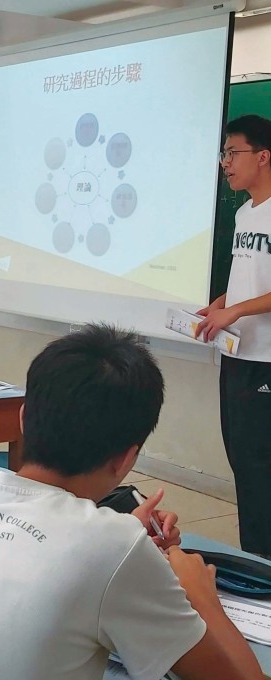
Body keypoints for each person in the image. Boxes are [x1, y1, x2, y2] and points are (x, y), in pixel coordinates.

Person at [0, 325, 262, 680]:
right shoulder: (113, 548)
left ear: (22, 418)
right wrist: (203, 598)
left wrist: (118, 537)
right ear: (127, 458)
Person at [198, 114, 271, 556]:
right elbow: (251, 278)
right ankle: (255, 553)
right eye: (223, 154)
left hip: (267, 359)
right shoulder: (245, 213)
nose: (225, 163)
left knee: (261, 464)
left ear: (263, 157)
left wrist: (238, 310)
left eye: (232, 153)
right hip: (238, 353)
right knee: (243, 462)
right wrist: (221, 305)